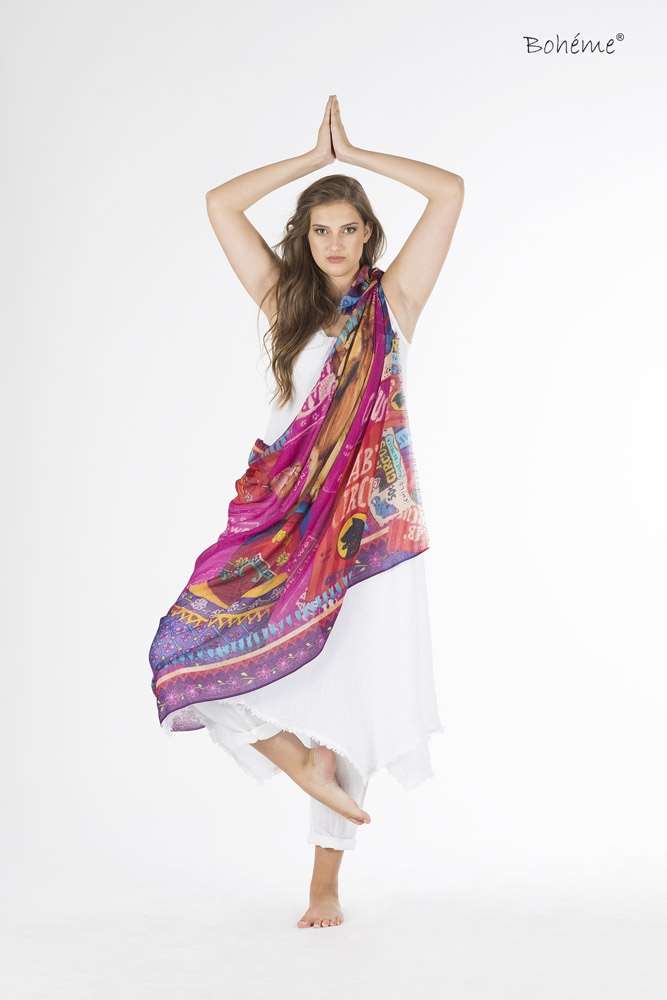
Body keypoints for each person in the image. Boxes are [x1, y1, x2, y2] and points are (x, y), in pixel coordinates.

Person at [154, 95, 464, 928]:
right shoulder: (283, 307)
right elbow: (220, 204)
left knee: (352, 698)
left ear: (367, 237)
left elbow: (448, 191)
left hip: (366, 536)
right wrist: (309, 157)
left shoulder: (393, 306)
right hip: (280, 522)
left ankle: (325, 884)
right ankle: (296, 761)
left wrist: (354, 155)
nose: (333, 242)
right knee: (186, 654)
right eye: (321, 229)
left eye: (348, 228)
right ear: (304, 237)